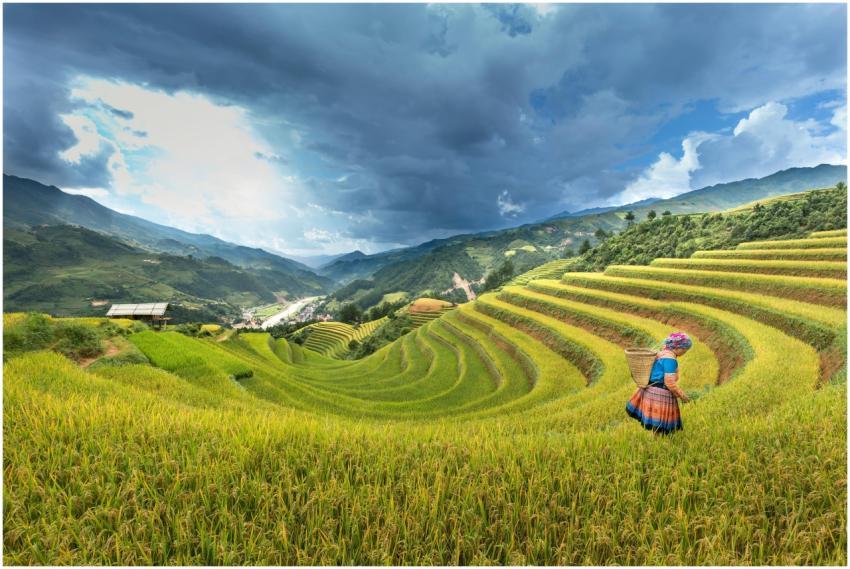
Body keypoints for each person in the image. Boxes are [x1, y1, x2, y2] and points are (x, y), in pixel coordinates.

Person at [625, 332, 693, 435]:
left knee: (656, 427)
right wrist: (683, 396)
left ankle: (657, 443)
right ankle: (659, 445)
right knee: (661, 427)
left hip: (650, 391)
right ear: (678, 347)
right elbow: (669, 382)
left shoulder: (661, 353)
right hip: (660, 394)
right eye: (685, 349)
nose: (685, 352)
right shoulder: (670, 359)